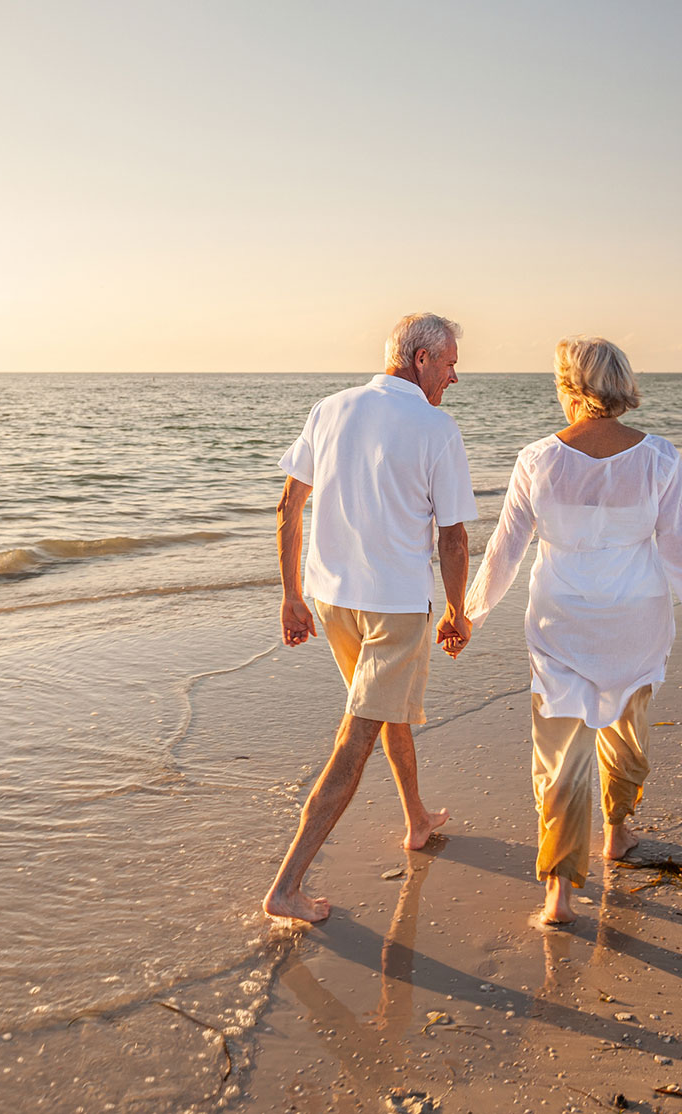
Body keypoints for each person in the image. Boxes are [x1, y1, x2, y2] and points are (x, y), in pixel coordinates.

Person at [463, 336, 682, 926]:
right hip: (635, 624)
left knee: (560, 758)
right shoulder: (660, 458)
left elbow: (504, 556)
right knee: (626, 732)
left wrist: (469, 616)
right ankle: (616, 832)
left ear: (570, 387)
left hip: (559, 623)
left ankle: (560, 895)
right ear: (620, 385)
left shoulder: (537, 459)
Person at [262, 312, 479, 924]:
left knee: (388, 710)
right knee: (357, 734)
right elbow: (455, 537)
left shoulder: (329, 408)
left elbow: (287, 508)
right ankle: (286, 886)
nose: (455, 376)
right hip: (395, 608)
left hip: (332, 601)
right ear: (421, 360)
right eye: (450, 362)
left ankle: (415, 818)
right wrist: (459, 610)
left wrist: (292, 596)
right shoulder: (436, 428)